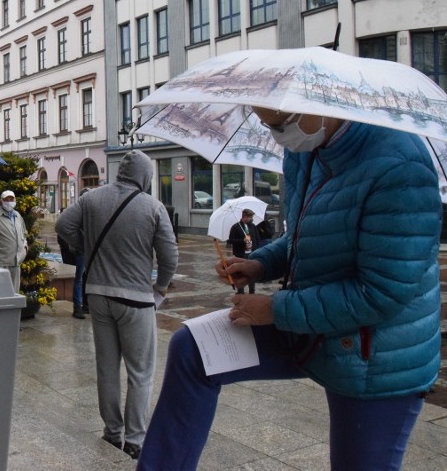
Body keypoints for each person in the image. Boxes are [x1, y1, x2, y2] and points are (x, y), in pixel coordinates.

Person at [138, 109, 442, 471]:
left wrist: (275, 310)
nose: (277, 134)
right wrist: (260, 263)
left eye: (281, 123)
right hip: (311, 326)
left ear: (319, 105)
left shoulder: (401, 166)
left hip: (375, 354)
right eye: (266, 123)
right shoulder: (304, 151)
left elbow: (383, 293)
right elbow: (302, 237)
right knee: (192, 349)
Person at [56, 151, 178, 460]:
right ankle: (135, 439)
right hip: (136, 299)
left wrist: (86, 244)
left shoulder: (92, 199)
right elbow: (170, 256)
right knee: (140, 371)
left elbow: (62, 225)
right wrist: (160, 288)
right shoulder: (153, 207)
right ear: (145, 176)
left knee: (107, 367)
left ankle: (112, 432)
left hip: (98, 296)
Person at [58, 187, 90, 319]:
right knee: (80, 279)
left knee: (87, 278)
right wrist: (77, 245)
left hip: (90, 251)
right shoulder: (77, 213)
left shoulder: (91, 213)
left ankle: (87, 305)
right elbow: (62, 228)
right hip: (82, 251)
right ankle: (78, 307)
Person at [227, 208, 259, 294]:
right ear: (244, 217)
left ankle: (252, 290)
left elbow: (257, 238)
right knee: (241, 272)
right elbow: (231, 240)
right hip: (240, 254)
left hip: (252, 253)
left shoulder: (252, 226)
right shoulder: (236, 227)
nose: (251, 219)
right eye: (249, 217)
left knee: (251, 272)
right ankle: (240, 290)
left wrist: (256, 249)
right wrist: (242, 240)